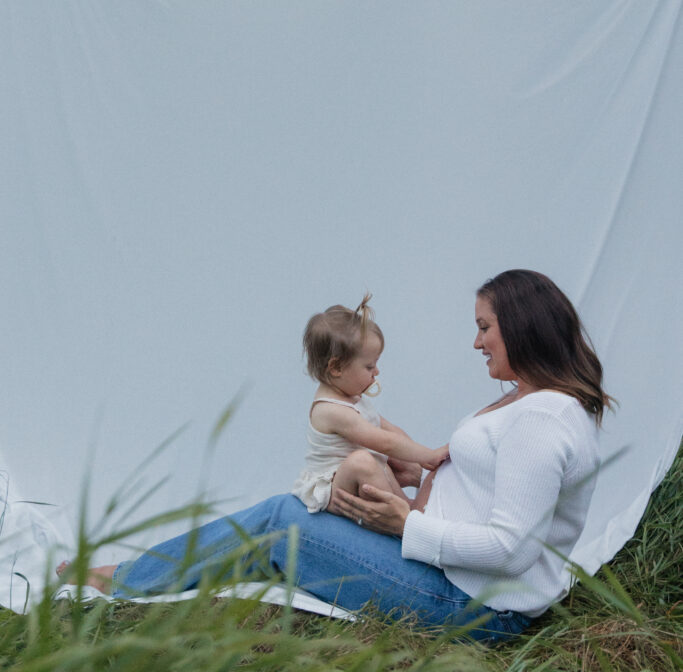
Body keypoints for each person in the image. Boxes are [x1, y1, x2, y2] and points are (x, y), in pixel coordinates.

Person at [61, 270, 612, 642]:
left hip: (476, 608)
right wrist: (416, 476)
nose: (476, 342)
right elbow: (490, 487)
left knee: (282, 520)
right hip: (453, 575)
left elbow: (511, 550)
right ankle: (145, 576)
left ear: (521, 328)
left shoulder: (543, 420)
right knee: (286, 521)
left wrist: (408, 523)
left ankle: (129, 580)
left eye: (484, 327)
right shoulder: (527, 401)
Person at [291, 292, 449, 512]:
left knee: (380, 459)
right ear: (336, 368)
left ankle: (408, 507)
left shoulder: (351, 396)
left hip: (360, 476)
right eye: (368, 367)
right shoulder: (330, 410)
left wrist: (422, 457)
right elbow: (384, 442)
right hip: (334, 491)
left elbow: (389, 431)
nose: (377, 371)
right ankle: (405, 514)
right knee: (363, 460)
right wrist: (429, 455)